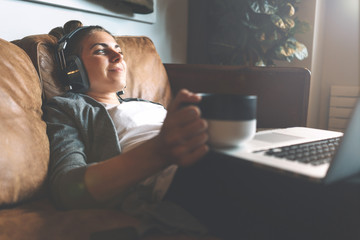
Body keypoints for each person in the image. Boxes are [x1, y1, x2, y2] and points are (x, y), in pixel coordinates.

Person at [45, 21, 360, 240]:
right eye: (101, 51)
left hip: (223, 152)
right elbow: (66, 189)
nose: (118, 55)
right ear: (74, 69)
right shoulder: (67, 109)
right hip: (181, 173)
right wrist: (161, 149)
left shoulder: (147, 104)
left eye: (118, 48)